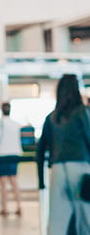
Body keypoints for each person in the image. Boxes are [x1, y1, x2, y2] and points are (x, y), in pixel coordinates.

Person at [37, 74, 90, 235]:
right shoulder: (83, 112)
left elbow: (40, 151)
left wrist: (41, 181)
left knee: (57, 224)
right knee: (86, 220)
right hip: (81, 169)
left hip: (57, 169)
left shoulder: (51, 117)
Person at [0, 101, 23, 216]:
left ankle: (5, 208)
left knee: (3, 183)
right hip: (15, 153)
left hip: (2, 154)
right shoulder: (16, 124)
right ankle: (19, 206)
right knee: (13, 181)